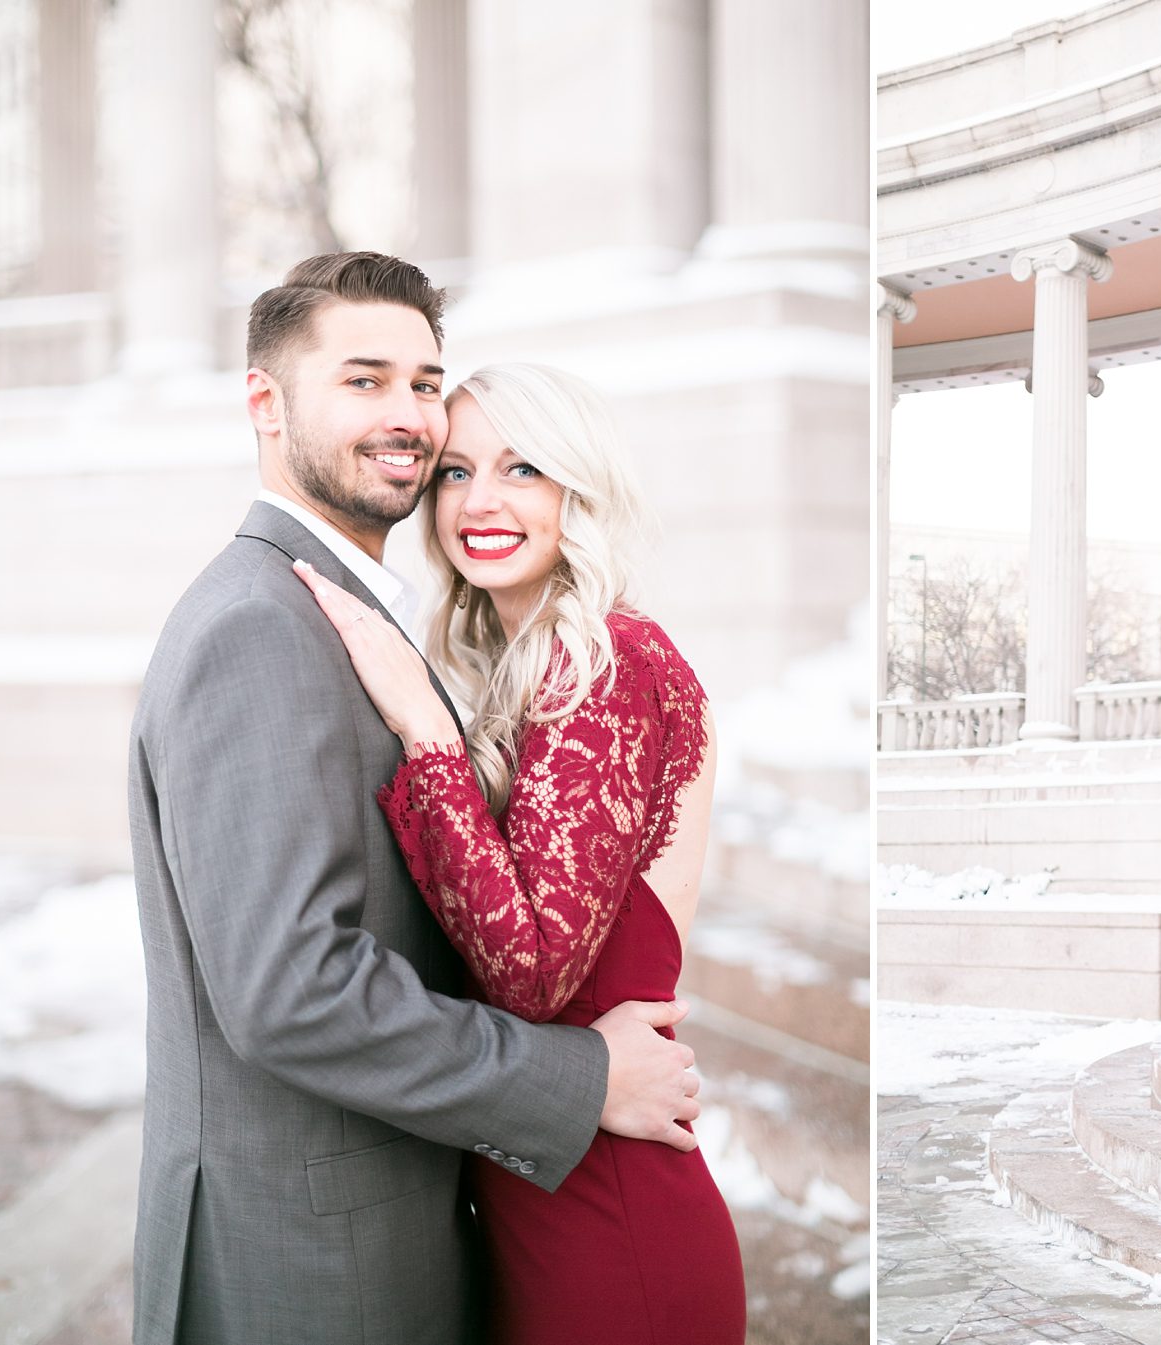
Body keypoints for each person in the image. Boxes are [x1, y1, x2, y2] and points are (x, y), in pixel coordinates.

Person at [128, 253, 701, 1345]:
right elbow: (292, 989)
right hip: (308, 1265)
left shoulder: (355, 615)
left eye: (425, 382)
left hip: (403, 1235)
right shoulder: (261, 626)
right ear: (265, 402)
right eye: (364, 379)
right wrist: (581, 1077)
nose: (409, 418)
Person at [295, 360, 746, 1344]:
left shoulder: (612, 666)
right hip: (533, 1207)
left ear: (577, 491)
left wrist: (427, 738)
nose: (482, 501)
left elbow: (532, 975)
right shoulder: (523, 678)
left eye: (523, 468)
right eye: (455, 472)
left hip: (611, 1230)